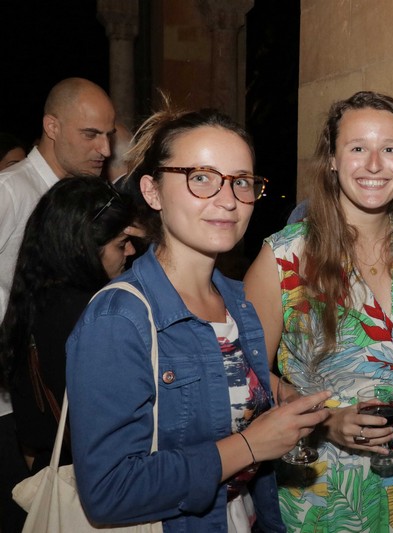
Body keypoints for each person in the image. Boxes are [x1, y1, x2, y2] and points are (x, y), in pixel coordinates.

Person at [65, 106, 330, 532]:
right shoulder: (119, 318)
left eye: (240, 181)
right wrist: (250, 445)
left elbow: (221, 380)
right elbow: (108, 493)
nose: (227, 200)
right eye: (201, 177)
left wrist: (281, 393)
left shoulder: (239, 300)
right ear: (152, 192)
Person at [244, 91, 393, 532]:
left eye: (389, 149)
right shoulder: (284, 257)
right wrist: (324, 421)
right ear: (332, 159)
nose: (374, 164)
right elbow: (249, 376)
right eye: (357, 148)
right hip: (331, 482)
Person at [0, 77, 114, 533]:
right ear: (52, 126)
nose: (105, 148)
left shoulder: (72, 200)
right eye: (90, 134)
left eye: (109, 134)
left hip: (36, 405)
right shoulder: (10, 191)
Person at [0, 176, 136, 475]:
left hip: (50, 472)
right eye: (121, 244)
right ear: (84, 248)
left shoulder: (31, 299)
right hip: (97, 479)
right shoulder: (97, 314)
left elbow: (31, 430)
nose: (131, 252)